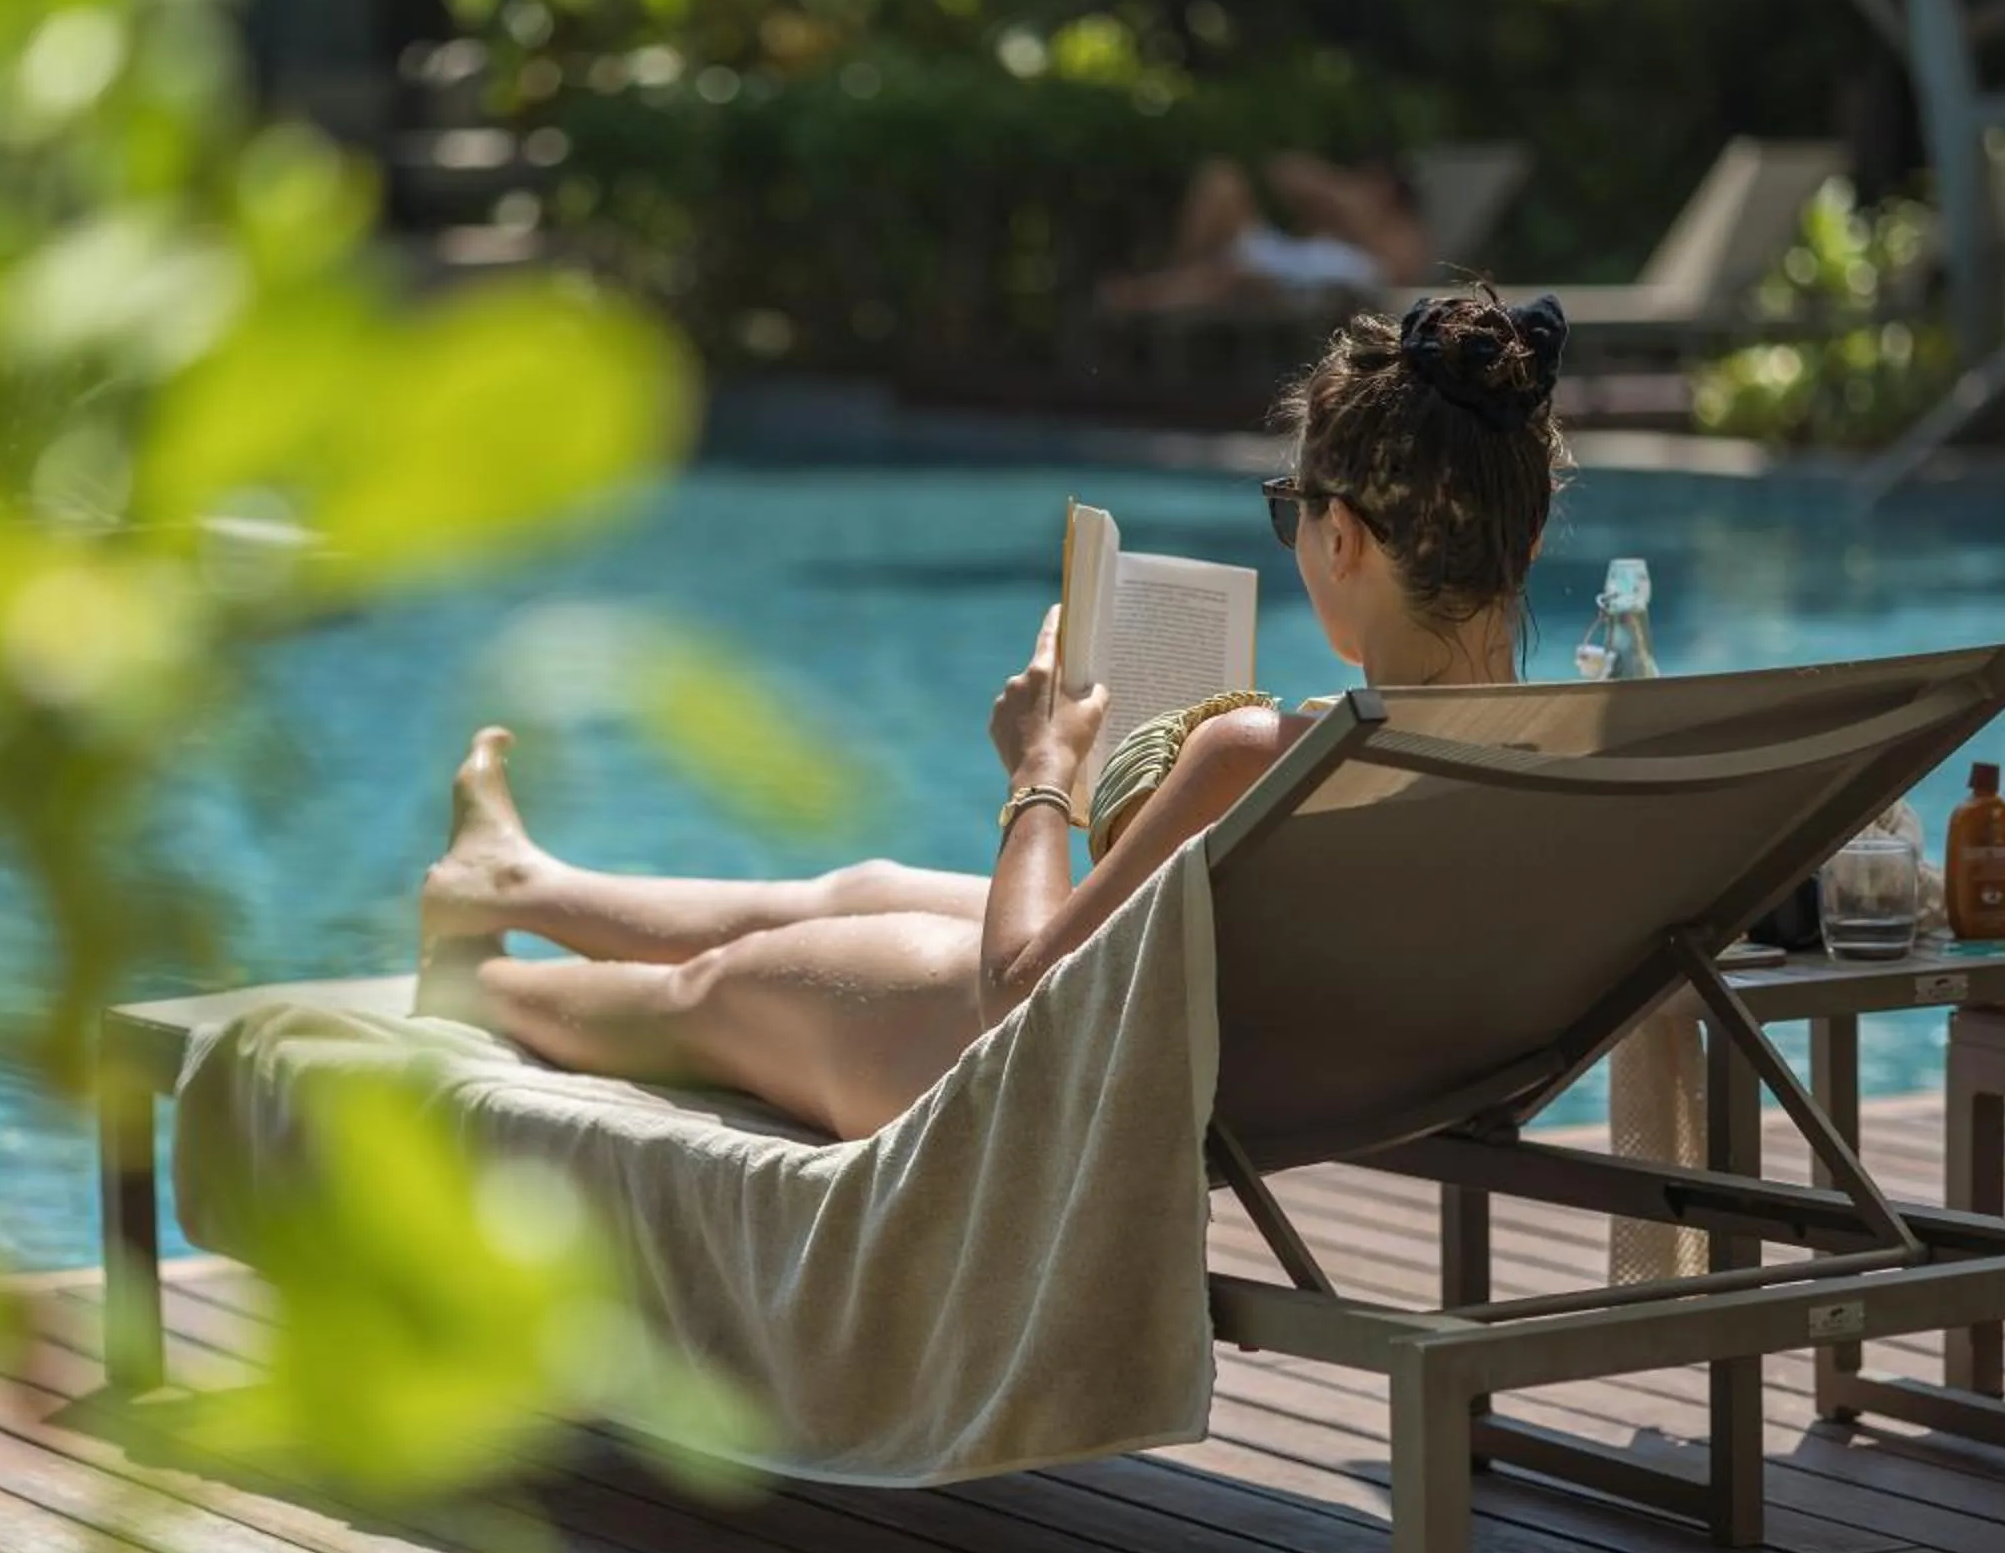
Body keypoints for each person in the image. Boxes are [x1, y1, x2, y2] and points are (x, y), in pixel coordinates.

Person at [417, 291, 1573, 1140]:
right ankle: (511, 884)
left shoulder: (1255, 756)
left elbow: (1022, 994)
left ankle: (475, 984)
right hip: (1285, 1065)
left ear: (1345, 537)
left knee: (724, 989)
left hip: (1076, 1097)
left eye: (1294, 512)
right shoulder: (1569, 749)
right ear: (1522, 538)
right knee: (857, 890)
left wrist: (1046, 768)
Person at [1099, 151, 1432, 313]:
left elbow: (1395, 277)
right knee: (1221, 180)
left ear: (1390, 188)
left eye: (1373, 179)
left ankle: (1145, 294)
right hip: (1288, 258)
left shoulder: (1403, 233)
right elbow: (1285, 176)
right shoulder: (1348, 211)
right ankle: (1163, 279)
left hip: (1301, 280)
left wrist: (1355, 210)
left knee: (1228, 273)